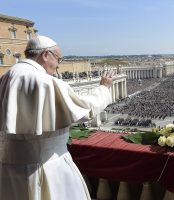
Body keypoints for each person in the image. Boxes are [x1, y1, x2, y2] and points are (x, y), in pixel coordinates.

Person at [0, 35, 114, 200]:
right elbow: (84, 109)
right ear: (46, 55)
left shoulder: (5, 78)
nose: (58, 65)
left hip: (7, 171)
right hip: (46, 168)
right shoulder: (45, 82)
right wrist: (103, 88)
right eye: (58, 59)